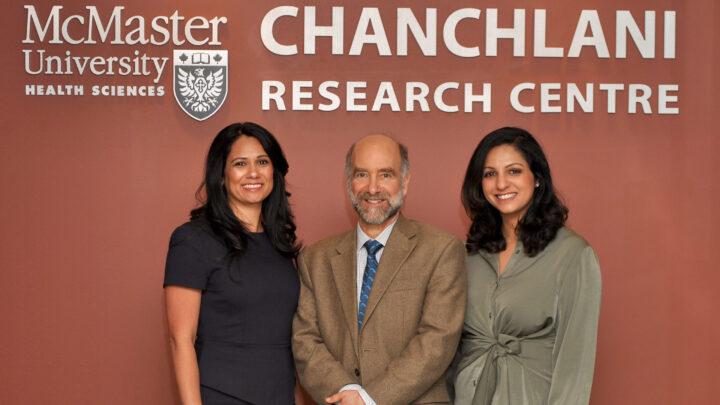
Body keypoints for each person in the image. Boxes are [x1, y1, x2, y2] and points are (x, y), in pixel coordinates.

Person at [292, 134, 467, 405]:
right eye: (362, 174)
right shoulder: (315, 259)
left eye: (386, 175)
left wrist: (369, 399)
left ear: (405, 182)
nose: (373, 188)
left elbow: (437, 341)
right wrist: (347, 394)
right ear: (349, 182)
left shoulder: (442, 250)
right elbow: (306, 342)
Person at [452, 127, 601, 404]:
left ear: (537, 179)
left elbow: (575, 365)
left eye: (514, 171)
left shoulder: (572, 255)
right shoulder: (468, 254)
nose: (501, 184)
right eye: (489, 174)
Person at [164, 122, 301, 405]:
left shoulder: (281, 245)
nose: (253, 172)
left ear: (273, 171)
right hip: (221, 396)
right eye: (240, 163)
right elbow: (181, 341)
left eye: (262, 162)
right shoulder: (192, 240)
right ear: (222, 175)